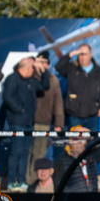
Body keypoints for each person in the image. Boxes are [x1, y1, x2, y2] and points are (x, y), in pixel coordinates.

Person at [0, 56, 49, 191]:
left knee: (25, 152)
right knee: (16, 152)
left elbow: (45, 86)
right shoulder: (12, 78)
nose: (32, 70)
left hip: (29, 123)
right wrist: (20, 109)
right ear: (23, 67)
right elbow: (7, 97)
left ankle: (21, 180)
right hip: (17, 122)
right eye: (32, 67)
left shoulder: (31, 81)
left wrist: (42, 71)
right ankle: (11, 181)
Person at [55, 43, 100, 130]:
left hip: (93, 116)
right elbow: (58, 66)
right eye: (79, 54)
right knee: (77, 142)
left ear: (90, 55)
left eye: (84, 54)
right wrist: (72, 54)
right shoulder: (71, 69)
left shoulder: (99, 72)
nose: (82, 57)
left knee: (92, 142)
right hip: (75, 116)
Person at [30, 51, 64, 183]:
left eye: (45, 63)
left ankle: (33, 182)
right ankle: (26, 181)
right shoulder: (29, 75)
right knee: (26, 153)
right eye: (40, 62)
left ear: (49, 65)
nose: (42, 65)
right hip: (26, 122)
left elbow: (58, 102)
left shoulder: (53, 80)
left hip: (43, 122)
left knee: (39, 154)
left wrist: (59, 123)